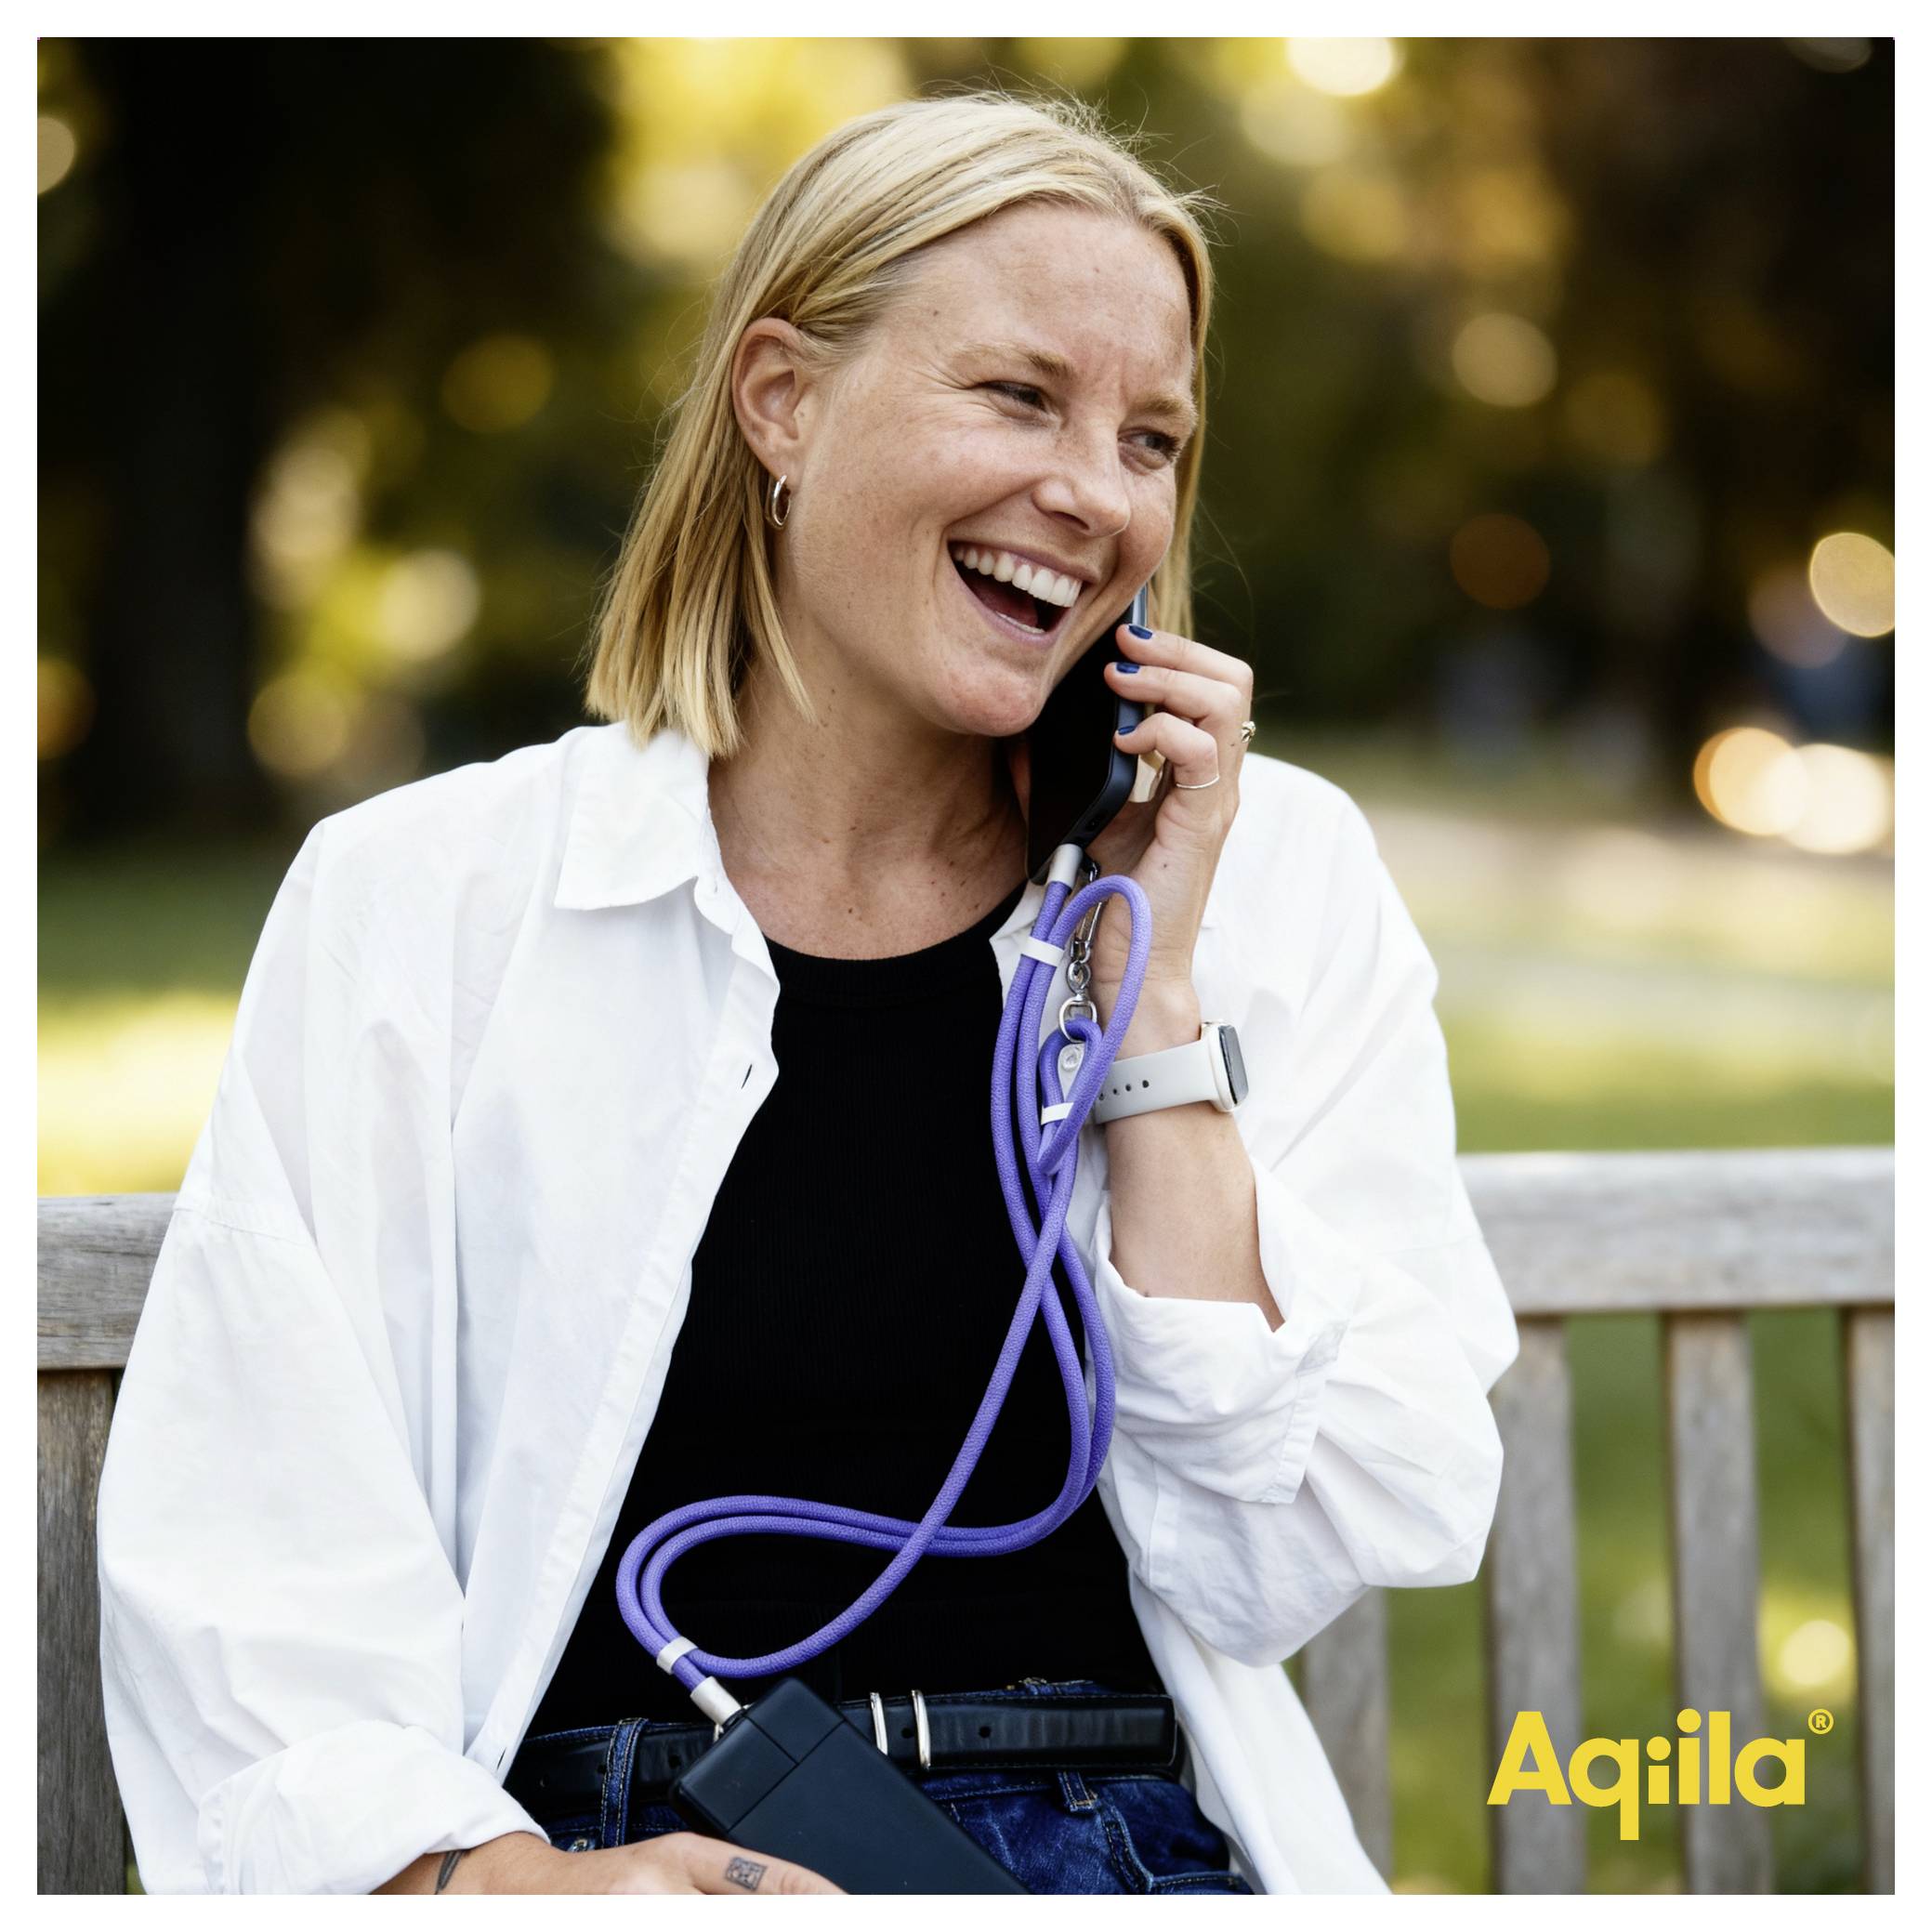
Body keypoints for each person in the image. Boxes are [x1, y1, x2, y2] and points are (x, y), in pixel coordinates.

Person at [96, 91, 1518, 1896]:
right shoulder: (429, 900)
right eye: (1016, 395)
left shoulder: (1268, 877)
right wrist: (484, 1879)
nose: (1093, 488)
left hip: (1116, 1848)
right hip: (610, 1861)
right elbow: (256, 1531)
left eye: (1148, 435)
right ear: (780, 401)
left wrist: (1150, 1004)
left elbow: (1327, 1528)